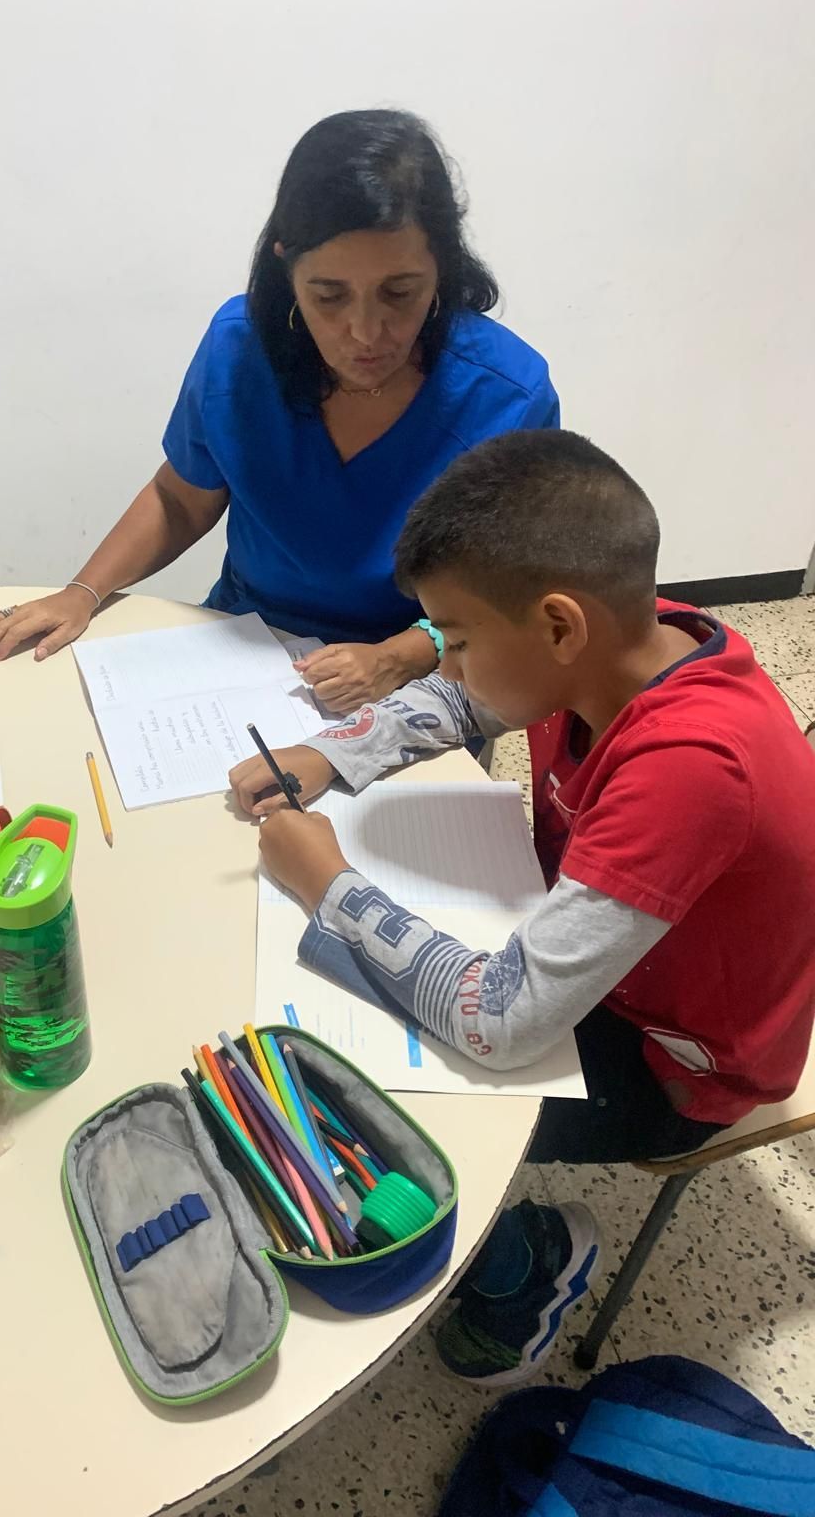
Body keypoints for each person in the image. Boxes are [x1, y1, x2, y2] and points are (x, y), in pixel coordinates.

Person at [229, 429, 815, 1384]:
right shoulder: (629, 637)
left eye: (455, 640)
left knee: (348, 1110)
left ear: (556, 625)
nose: (446, 665)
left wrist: (329, 884)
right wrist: (333, 754)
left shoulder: (692, 768)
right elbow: (474, 705)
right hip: (600, 952)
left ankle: (532, 1261)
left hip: (674, 1063)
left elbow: (500, 1021)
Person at [0, 110, 558, 714]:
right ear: (287, 267)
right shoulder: (239, 348)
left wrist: (395, 656)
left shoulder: (508, 396)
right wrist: (83, 592)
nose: (365, 332)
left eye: (399, 293)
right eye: (328, 296)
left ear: (443, 268)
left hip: (418, 667)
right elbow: (181, 498)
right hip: (246, 648)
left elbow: (507, 594)